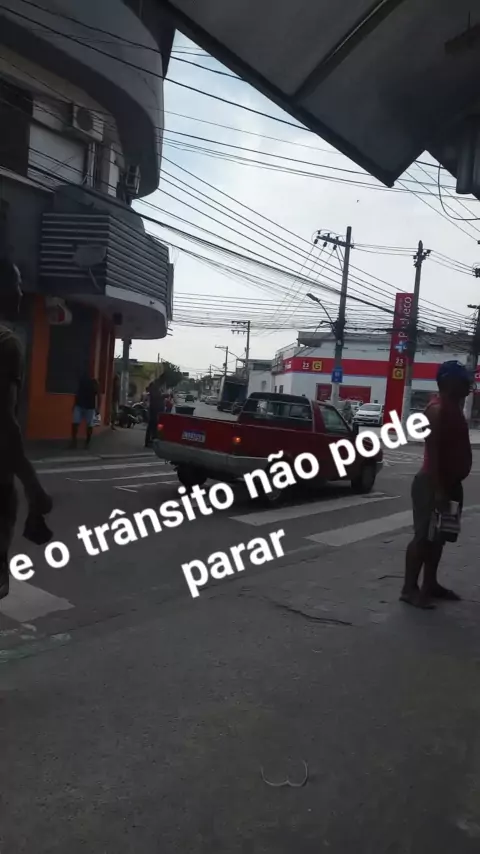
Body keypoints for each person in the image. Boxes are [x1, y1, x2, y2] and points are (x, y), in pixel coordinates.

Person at [401, 360, 473, 609]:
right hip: (434, 485)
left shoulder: (454, 408)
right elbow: (433, 456)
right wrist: (439, 491)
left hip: (451, 485)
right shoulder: (437, 410)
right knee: (423, 537)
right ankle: (409, 589)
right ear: (449, 382)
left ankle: (430, 584)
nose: (468, 384)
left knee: (440, 537)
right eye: (463, 380)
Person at [0, 257, 52, 600]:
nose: (20, 292)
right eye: (16, 284)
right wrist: (34, 489)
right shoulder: (7, 344)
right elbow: (4, 422)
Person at [71, 371, 101, 450]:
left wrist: (98, 407)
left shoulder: (94, 382)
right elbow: (77, 394)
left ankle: (87, 443)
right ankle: (75, 442)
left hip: (89, 407)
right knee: (75, 423)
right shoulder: (82, 381)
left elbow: (98, 395)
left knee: (88, 425)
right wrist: (74, 405)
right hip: (80, 405)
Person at [145, 377, 165, 447]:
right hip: (154, 409)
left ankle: (152, 440)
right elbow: (156, 397)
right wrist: (163, 396)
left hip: (156, 409)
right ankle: (149, 441)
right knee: (152, 425)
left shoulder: (156, 388)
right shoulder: (154, 388)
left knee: (154, 426)